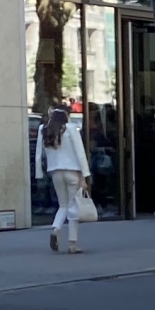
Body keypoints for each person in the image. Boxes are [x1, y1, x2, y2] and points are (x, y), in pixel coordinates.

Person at [44, 106, 91, 252]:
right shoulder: (71, 130)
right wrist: (84, 175)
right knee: (73, 207)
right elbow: (80, 153)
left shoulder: (46, 131)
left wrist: (40, 173)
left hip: (56, 172)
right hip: (72, 172)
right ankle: (72, 244)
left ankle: (55, 229)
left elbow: (41, 154)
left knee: (63, 205)